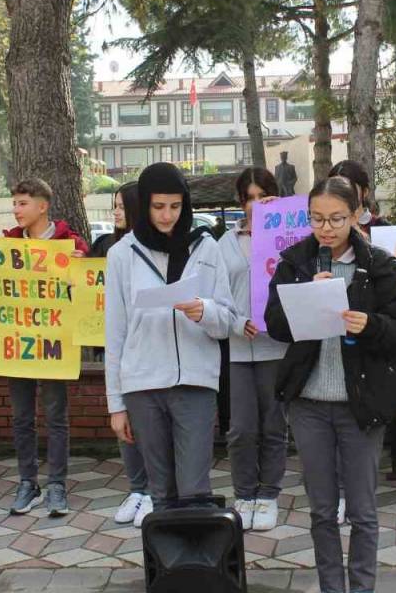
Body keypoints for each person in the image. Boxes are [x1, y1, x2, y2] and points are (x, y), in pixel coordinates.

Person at [265, 176, 396, 593]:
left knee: (363, 511)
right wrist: (301, 296)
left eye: (336, 219)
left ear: (356, 215)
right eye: (316, 219)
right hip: (309, 403)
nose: (325, 228)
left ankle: (362, 587)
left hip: (359, 405)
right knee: (322, 510)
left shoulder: (380, 265)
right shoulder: (295, 262)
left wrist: (371, 325)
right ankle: (332, 586)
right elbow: (275, 324)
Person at [105, 162, 233, 516]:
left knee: (195, 490)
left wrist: (203, 311)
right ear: (144, 205)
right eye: (158, 206)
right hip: (142, 386)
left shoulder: (206, 248)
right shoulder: (121, 255)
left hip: (195, 382)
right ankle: (166, 570)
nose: (167, 216)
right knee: (160, 492)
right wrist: (116, 404)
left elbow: (227, 321)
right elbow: (114, 332)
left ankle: (199, 569)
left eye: (175, 206)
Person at [0, 178, 87, 517]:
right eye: (14, 203)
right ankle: (27, 482)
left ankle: (57, 485)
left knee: (56, 417)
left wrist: (79, 266)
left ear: (42, 206)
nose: (15, 210)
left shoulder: (69, 243)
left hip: (53, 345)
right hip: (17, 344)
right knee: (21, 417)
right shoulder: (7, 246)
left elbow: (85, 293)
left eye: (22, 203)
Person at [219, 167, 288, 532]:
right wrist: (234, 322)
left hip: (276, 347)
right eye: (250, 197)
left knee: (274, 425)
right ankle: (244, 494)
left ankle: (269, 495)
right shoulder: (226, 243)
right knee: (242, 429)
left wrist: (284, 222)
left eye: (264, 196)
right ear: (240, 202)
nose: (256, 204)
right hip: (238, 347)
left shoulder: (289, 237)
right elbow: (216, 295)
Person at [89, 181, 153, 526]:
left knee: (148, 425)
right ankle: (137, 487)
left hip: (145, 349)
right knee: (124, 421)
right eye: (113, 206)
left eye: (121, 206)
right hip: (115, 346)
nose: (115, 212)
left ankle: (152, 490)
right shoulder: (107, 246)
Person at [328, 159, 389, 235]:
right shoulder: (324, 227)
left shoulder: (381, 227)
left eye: (348, 189)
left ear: (365, 192)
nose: (341, 194)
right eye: (334, 189)